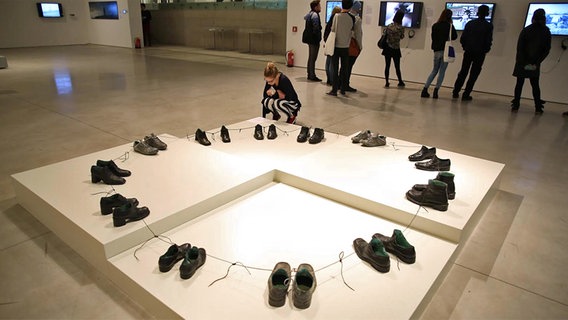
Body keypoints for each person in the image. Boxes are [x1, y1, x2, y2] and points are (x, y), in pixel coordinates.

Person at [511, 8, 551, 115]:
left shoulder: (526, 30)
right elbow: (546, 50)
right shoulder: (546, 31)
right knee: (535, 85)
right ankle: (538, 107)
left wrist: (523, 62)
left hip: (522, 62)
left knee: (519, 84)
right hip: (535, 63)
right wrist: (536, 62)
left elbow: (520, 48)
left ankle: (516, 105)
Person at [452, 4, 493, 101]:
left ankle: (455, 91)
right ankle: (466, 94)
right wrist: (485, 50)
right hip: (480, 53)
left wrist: (465, 47)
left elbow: (463, 38)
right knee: (474, 74)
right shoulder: (488, 26)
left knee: (463, 72)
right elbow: (488, 40)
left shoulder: (470, 24)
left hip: (468, 51)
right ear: (487, 13)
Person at [327, 0, 361, 96]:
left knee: (335, 68)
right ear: (351, 6)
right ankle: (343, 89)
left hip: (336, 46)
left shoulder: (336, 16)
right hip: (346, 46)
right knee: (344, 68)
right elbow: (353, 31)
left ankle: (334, 90)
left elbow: (333, 29)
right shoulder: (352, 18)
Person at [421, 9, 458, 99]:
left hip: (437, 51)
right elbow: (455, 36)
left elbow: (433, 38)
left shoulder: (435, 25)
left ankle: (425, 89)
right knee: (442, 72)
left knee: (434, 70)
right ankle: (436, 92)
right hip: (445, 51)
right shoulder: (450, 26)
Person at [381, 10, 405, 88]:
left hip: (387, 48)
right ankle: (400, 81)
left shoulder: (389, 26)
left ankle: (387, 82)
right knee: (397, 66)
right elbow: (402, 37)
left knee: (387, 66)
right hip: (396, 49)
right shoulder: (401, 28)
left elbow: (385, 35)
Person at [344, 1, 363, 92]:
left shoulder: (344, 16)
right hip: (352, 45)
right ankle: (346, 84)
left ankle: (341, 83)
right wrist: (360, 46)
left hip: (343, 44)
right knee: (349, 66)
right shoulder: (357, 19)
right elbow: (358, 34)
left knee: (343, 66)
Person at [303, 0, 323, 82]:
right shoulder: (315, 15)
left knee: (311, 57)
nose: (320, 7)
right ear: (316, 7)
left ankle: (309, 74)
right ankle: (312, 75)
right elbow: (316, 28)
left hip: (310, 39)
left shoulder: (310, 14)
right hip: (314, 40)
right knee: (313, 58)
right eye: (319, 6)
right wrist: (318, 38)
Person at [323, 6, 342, 85]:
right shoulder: (336, 20)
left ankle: (328, 79)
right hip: (333, 43)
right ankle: (332, 80)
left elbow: (325, 33)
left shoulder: (330, 19)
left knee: (328, 61)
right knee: (332, 63)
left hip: (328, 42)